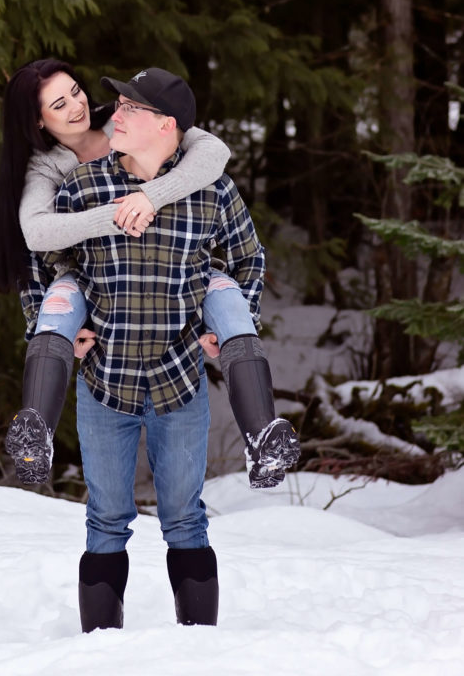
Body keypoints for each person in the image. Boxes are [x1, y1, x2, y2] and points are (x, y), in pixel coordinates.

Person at [18, 66, 300, 631]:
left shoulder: (211, 191)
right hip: (106, 385)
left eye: (129, 108)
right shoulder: (81, 187)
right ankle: (100, 655)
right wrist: (50, 324)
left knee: (185, 521)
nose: (110, 115)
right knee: (105, 521)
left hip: (179, 383)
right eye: (116, 104)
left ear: (165, 125)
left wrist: (231, 323)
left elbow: (250, 258)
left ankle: (198, 652)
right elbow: (41, 264)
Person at [0, 60, 288, 490]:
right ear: (39, 119)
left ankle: (263, 437)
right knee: (59, 301)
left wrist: (150, 196)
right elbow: (37, 236)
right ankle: (35, 435)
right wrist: (119, 214)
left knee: (226, 296)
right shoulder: (53, 170)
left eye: (76, 90)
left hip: (174, 283)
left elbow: (214, 154)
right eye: (59, 103)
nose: (78, 105)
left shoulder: (126, 122)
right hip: (97, 285)